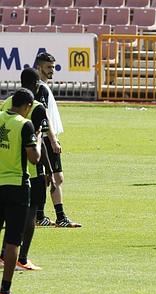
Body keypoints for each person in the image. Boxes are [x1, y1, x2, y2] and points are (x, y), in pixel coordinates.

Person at [0, 68, 54, 271]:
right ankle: (22, 258)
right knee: (30, 216)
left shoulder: (7, 104)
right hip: (27, 174)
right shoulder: (37, 108)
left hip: (3, 171)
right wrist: (49, 172)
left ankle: (3, 255)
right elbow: (40, 147)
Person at [0, 88, 42, 294]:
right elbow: (34, 158)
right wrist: (39, 140)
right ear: (27, 106)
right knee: (13, 241)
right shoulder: (24, 124)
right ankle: (4, 292)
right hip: (16, 185)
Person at [34, 52, 81, 227]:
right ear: (39, 67)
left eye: (53, 67)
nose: (52, 70)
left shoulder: (41, 87)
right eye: (48, 67)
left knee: (45, 178)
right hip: (46, 139)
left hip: (45, 139)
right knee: (57, 177)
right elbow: (44, 117)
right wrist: (53, 140)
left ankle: (40, 216)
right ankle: (60, 217)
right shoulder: (42, 88)